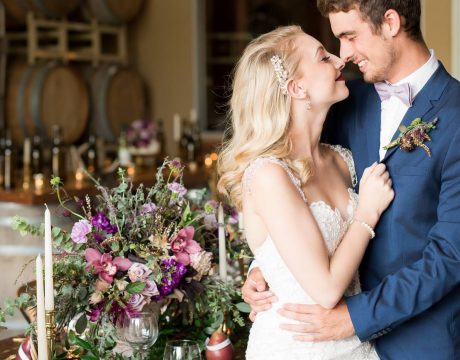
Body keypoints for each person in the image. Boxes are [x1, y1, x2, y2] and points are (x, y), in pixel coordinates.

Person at [242, 1, 460, 359]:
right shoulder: (344, 101)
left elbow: (450, 256)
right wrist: (267, 266)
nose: (342, 55)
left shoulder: (456, 114)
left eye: (349, 36)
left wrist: (355, 319)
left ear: (390, 22)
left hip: (420, 342)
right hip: (318, 337)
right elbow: (291, 184)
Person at [217, 25, 394, 359]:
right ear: (296, 88)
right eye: (323, 57)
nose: (339, 61)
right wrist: (366, 213)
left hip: (357, 343)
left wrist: (262, 268)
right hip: (295, 347)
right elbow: (326, 290)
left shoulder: (342, 160)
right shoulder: (269, 174)